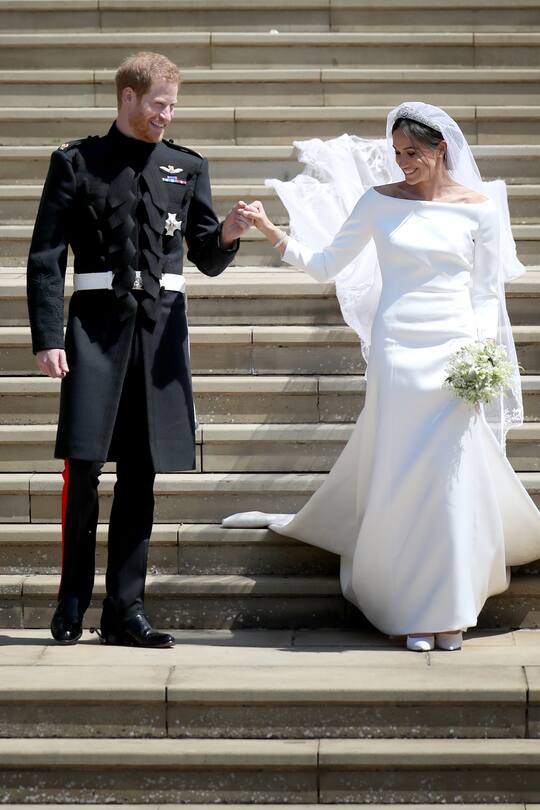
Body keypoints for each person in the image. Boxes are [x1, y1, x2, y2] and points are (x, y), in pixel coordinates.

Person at [224, 102, 540, 652]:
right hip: (398, 350)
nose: (402, 164)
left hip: (456, 354)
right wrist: (272, 230)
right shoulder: (378, 203)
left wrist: (482, 357)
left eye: (412, 153)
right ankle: (412, 606)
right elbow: (326, 264)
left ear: (442, 149)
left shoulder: (481, 210)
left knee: (451, 481)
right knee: (403, 478)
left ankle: (451, 608)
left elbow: (488, 292)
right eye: (396, 154)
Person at [27, 51, 252, 648]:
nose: (166, 116)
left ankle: (125, 610)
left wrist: (227, 232)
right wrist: (48, 337)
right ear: (128, 97)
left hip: (159, 339)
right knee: (83, 467)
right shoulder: (77, 163)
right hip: (94, 335)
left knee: (142, 472)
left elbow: (204, 254)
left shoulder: (186, 167)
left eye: (173, 106)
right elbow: (46, 257)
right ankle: (72, 598)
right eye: (158, 104)